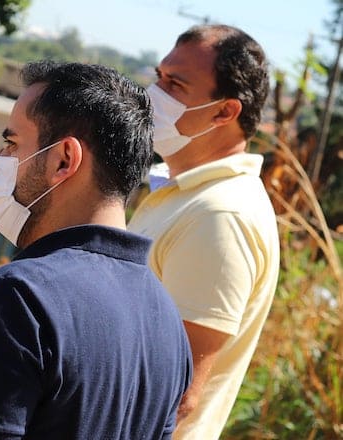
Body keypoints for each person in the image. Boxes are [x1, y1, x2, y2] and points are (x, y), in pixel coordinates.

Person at [0, 61, 193, 440]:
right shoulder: (168, 324)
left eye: (11, 144)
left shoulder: (20, 299)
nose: (1, 159)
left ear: (64, 160)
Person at [128, 24, 280, 439]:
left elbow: (173, 397)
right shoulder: (183, 194)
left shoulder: (220, 216)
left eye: (174, 85)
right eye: (159, 77)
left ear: (224, 112)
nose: (153, 95)